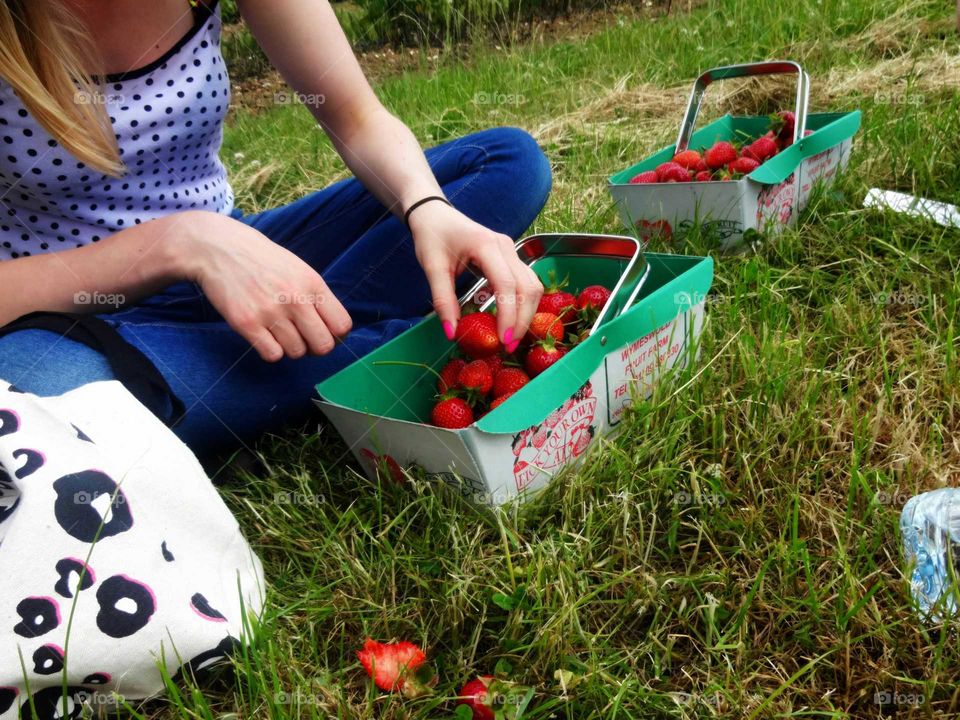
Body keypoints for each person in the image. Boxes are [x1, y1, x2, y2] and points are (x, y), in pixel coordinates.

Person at [0, 0, 552, 454]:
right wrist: (179, 242)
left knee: (504, 164)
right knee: (45, 392)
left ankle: (255, 354)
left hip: (242, 259)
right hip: (69, 319)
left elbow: (358, 118)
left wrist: (426, 207)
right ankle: (405, 348)